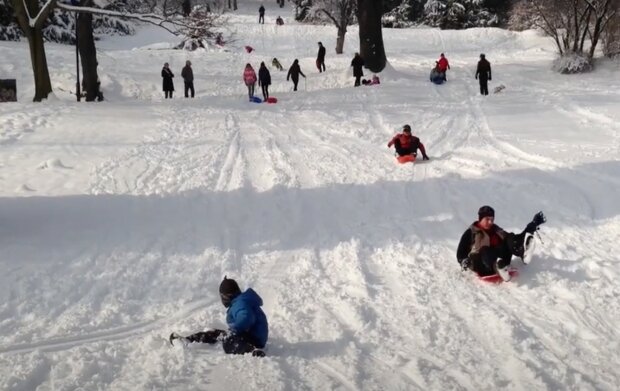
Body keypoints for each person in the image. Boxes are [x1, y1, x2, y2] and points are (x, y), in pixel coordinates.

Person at [169, 276, 269, 357]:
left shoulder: (240, 303)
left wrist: (234, 330)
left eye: (222, 297)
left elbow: (247, 317)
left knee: (228, 342)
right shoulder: (240, 302)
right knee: (217, 334)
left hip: (253, 339)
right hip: (251, 336)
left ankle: (252, 351)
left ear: (227, 296)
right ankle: (188, 340)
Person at [456, 207, 546, 281]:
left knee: (509, 237)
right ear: (480, 219)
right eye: (487, 219)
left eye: (492, 219)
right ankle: (499, 267)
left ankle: (523, 253)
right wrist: (464, 260)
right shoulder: (471, 232)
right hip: (482, 265)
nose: (490, 222)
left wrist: (532, 225)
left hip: (502, 262)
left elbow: (514, 239)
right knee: (485, 249)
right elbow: (461, 252)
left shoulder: (496, 230)